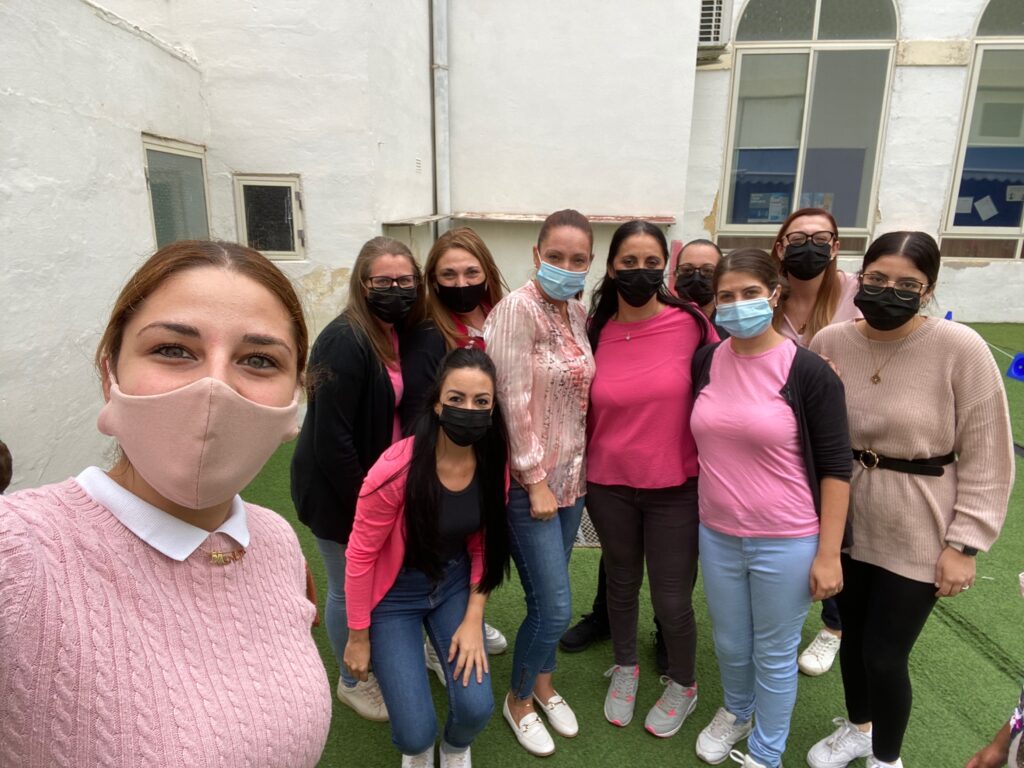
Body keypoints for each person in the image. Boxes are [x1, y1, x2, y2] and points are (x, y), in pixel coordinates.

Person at [0, 240, 331, 766]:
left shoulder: (273, 539)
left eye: (259, 360)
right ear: (110, 375)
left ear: (295, 399)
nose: (214, 387)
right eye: (173, 350)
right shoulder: (18, 553)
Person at [805, 231, 1014, 768]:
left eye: (906, 284)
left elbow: (988, 453)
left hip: (919, 521)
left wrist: (965, 544)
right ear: (860, 277)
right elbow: (804, 424)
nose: (888, 291)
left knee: (884, 653)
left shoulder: (960, 347)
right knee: (852, 638)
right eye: (876, 279)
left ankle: (886, 757)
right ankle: (858, 729)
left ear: (929, 290)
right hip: (845, 514)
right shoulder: (830, 340)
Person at [689, 248, 851, 768]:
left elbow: (836, 469)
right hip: (717, 533)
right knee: (730, 643)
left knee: (775, 653)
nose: (738, 305)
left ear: (775, 294)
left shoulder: (808, 372)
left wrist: (828, 554)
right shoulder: (707, 361)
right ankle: (738, 711)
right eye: (727, 296)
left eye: (750, 293)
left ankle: (766, 751)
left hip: (787, 539)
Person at [343, 347, 511, 768]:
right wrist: (358, 636)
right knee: (414, 733)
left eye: (481, 401)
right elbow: (361, 556)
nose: (468, 410)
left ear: (492, 410)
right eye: (456, 398)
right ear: (437, 403)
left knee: (476, 707)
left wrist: (474, 618)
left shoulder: (494, 463)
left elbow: (484, 545)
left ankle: (454, 748)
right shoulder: (394, 470)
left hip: (452, 584)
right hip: (394, 597)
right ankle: (419, 748)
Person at [585, 220, 715, 738]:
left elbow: (729, 378)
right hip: (609, 483)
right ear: (610, 267)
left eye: (651, 263)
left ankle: (684, 683)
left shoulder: (691, 324)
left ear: (666, 267)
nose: (640, 272)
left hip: (676, 486)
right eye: (628, 262)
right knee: (620, 583)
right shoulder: (594, 329)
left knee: (671, 599)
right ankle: (626, 667)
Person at [291, 235, 425, 721]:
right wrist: (370, 503)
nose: (396, 290)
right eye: (384, 281)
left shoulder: (394, 331)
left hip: (378, 484)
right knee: (348, 587)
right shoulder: (344, 340)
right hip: (338, 490)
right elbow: (332, 441)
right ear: (362, 284)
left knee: (380, 578)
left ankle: (381, 655)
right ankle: (352, 681)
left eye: (405, 281)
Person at [484, 208, 596, 757]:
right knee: (553, 606)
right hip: (531, 486)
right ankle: (520, 699)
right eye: (555, 256)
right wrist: (533, 480)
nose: (566, 267)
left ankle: (544, 684)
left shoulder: (577, 312)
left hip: (572, 481)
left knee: (550, 597)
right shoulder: (516, 309)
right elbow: (509, 398)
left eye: (578, 259)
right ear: (536, 254)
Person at [399, 227, 510, 664]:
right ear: (433, 280)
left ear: (487, 272)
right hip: (448, 457)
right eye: (448, 275)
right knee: (446, 542)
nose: (461, 283)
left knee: (479, 541)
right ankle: (436, 640)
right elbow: (419, 407)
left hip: (490, 450)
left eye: (471, 272)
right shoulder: (430, 332)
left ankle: (470, 618)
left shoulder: (501, 317)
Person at [772, 208, 860, 677]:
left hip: (836, 429)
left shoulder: (855, 294)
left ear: (836, 246)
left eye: (820, 238)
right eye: (797, 238)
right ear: (780, 247)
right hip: (782, 434)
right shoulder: (769, 297)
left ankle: (834, 626)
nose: (809, 246)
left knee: (837, 528)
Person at [674, 238, 730, 338]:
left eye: (708, 270)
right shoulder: (660, 323)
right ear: (675, 275)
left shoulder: (732, 327)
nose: (696, 278)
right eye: (687, 270)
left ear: (721, 277)